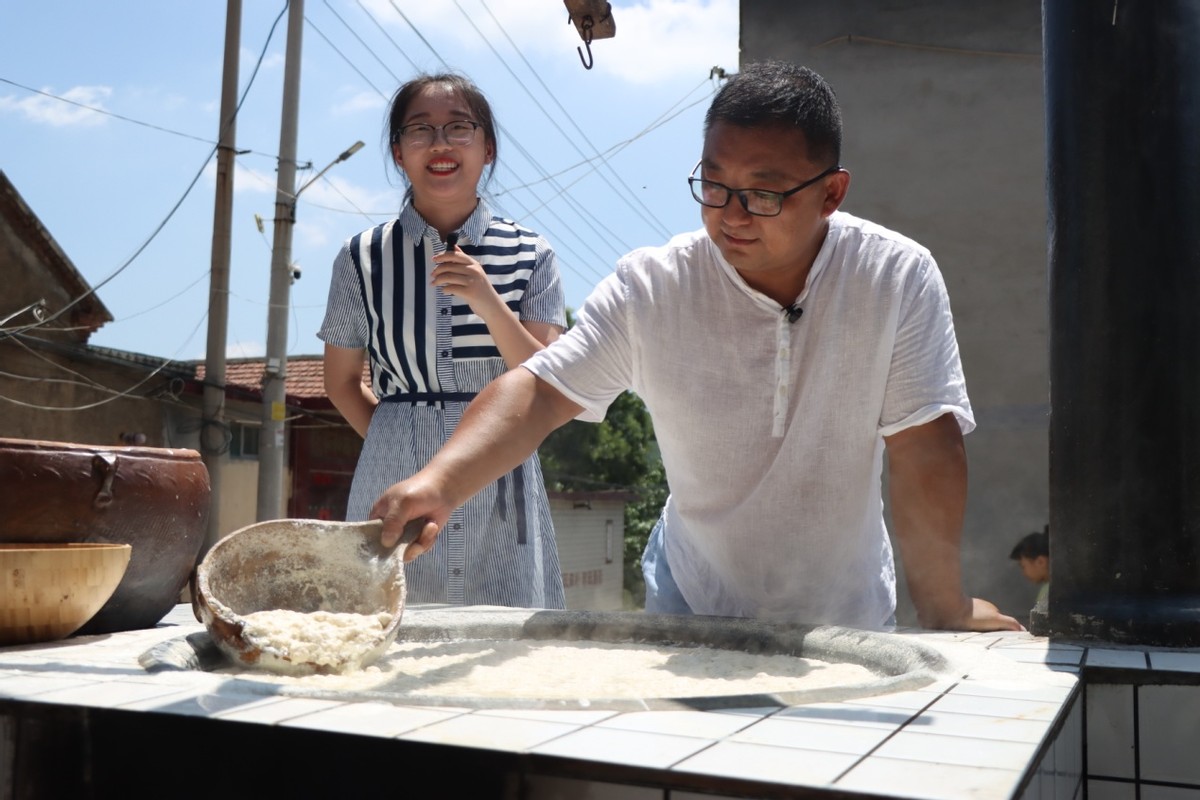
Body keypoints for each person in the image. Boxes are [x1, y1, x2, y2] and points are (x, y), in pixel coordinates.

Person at [370, 61, 1022, 632]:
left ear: (831, 193)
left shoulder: (893, 276)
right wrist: (439, 482)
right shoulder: (654, 285)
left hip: (844, 604)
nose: (730, 216)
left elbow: (923, 441)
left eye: (763, 194)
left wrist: (944, 608)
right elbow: (539, 391)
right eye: (713, 185)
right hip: (689, 594)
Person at [319, 72, 567, 609]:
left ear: (488, 149)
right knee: (385, 629)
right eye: (420, 130)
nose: (440, 144)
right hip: (393, 471)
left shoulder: (532, 254)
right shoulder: (361, 256)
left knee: (502, 648)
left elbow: (550, 380)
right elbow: (340, 383)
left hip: (500, 466)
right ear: (398, 151)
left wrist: (486, 299)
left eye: (459, 128)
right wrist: (395, 443)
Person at [1010, 525, 1050, 606]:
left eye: (1023, 566)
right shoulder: (1048, 589)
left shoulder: (1050, 591)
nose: (1023, 573)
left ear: (1040, 562)